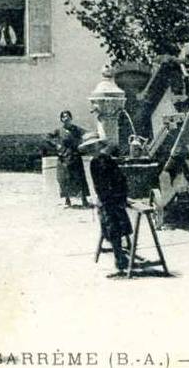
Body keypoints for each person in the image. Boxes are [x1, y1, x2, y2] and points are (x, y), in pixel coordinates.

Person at [81, 133, 136, 272]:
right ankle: (119, 257)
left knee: (119, 225)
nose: (93, 149)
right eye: (90, 147)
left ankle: (121, 255)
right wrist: (105, 198)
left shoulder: (108, 159)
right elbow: (98, 185)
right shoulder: (94, 163)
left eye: (94, 146)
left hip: (116, 197)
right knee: (112, 227)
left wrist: (122, 196)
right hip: (107, 199)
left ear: (100, 146)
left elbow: (120, 178)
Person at [50, 111, 92, 209]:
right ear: (61, 119)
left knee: (79, 178)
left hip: (75, 156)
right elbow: (48, 139)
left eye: (68, 116)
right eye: (63, 117)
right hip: (63, 158)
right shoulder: (58, 131)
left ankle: (84, 200)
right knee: (64, 179)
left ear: (71, 118)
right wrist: (57, 146)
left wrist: (83, 144)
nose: (66, 118)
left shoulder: (76, 129)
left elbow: (86, 134)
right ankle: (67, 200)